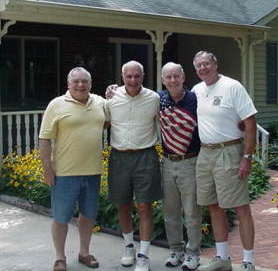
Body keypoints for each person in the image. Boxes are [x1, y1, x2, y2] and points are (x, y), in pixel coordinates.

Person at [192, 51, 258, 271]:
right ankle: (222, 259)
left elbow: (250, 123)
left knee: (240, 206)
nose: (203, 68)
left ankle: (248, 261)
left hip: (229, 151)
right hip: (205, 153)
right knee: (213, 206)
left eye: (206, 64)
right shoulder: (197, 90)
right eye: (199, 65)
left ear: (215, 64)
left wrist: (246, 157)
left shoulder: (232, 86)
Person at [39, 67, 106, 271]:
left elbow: (109, 120)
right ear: (68, 84)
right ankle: (60, 257)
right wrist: (47, 169)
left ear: (90, 84)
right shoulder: (56, 105)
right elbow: (45, 138)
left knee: (88, 216)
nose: (80, 85)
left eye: (84, 81)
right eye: (75, 81)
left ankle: (84, 253)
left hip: (93, 172)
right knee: (61, 218)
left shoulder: (100, 103)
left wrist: (113, 92)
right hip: (65, 174)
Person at [106, 60, 161, 271]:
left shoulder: (153, 98)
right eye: (128, 76)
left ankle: (144, 255)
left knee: (144, 205)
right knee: (123, 204)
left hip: (145, 156)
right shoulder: (111, 98)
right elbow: (102, 121)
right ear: (122, 77)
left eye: (136, 76)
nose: (133, 80)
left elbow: (165, 122)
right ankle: (128, 245)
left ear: (143, 76)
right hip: (119, 156)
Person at [159, 62, 202, 271]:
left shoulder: (195, 99)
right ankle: (176, 250)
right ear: (163, 80)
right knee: (170, 212)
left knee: (192, 212)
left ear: (183, 77)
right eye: (168, 77)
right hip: (167, 162)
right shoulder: (158, 99)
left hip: (190, 162)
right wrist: (113, 90)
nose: (173, 80)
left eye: (176, 76)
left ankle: (193, 254)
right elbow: (132, 93)